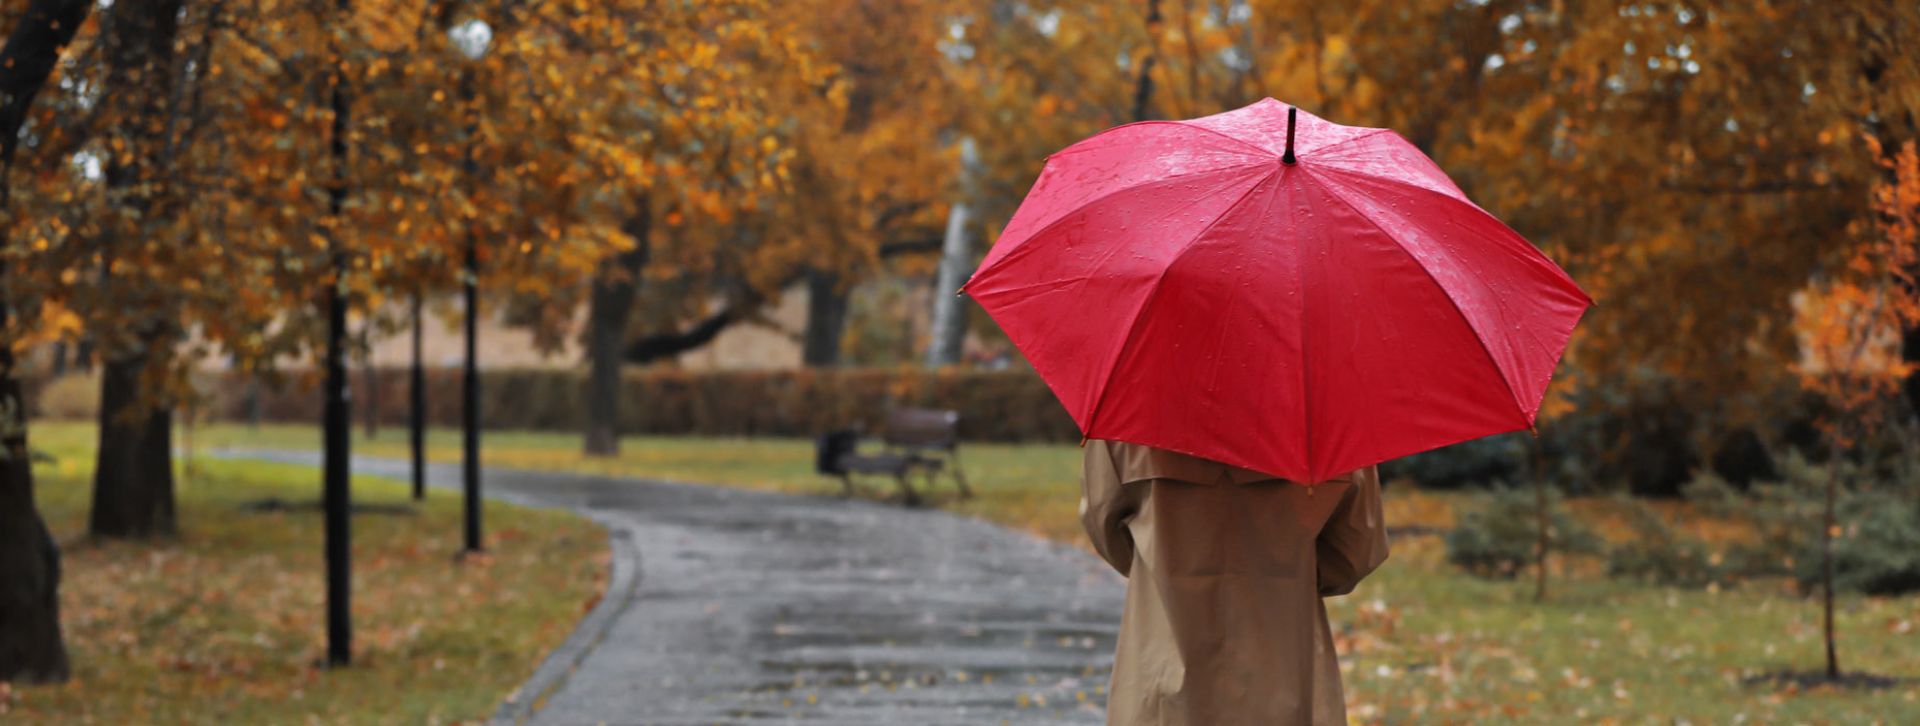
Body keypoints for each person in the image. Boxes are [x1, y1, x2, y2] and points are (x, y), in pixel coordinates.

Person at [1080, 439, 1389, 725]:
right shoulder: (1330, 421)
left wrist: (1162, 567)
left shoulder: (1125, 415)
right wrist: (1288, 574)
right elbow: (1355, 552)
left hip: (1163, 655)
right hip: (1283, 663)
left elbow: (1104, 522)